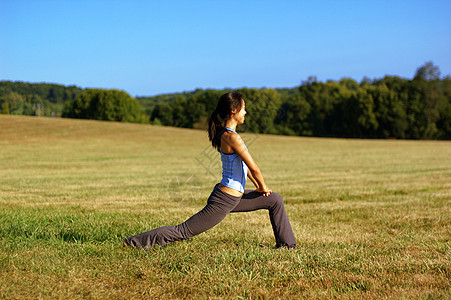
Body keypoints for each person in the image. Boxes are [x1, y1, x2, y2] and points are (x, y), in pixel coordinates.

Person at [123, 92, 296, 249]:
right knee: (183, 231)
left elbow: (245, 168)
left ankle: (287, 246)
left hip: (235, 196)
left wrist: (259, 188)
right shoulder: (231, 137)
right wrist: (263, 186)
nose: (246, 112)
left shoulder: (228, 135)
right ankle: (132, 242)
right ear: (233, 111)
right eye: (244, 109)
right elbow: (254, 168)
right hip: (225, 199)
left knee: (274, 200)